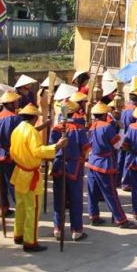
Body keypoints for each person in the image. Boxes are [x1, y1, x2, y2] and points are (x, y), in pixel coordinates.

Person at [10, 104, 67, 252]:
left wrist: (44, 127)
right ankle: (30, 241)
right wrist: (56, 146)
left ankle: (18, 234)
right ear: (35, 118)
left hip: (19, 172)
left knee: (20, 207)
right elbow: (37, 151)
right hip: (30, 175)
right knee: (32, 209)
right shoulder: (31, 132)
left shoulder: (17, 129)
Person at [86, 102, 137, 229]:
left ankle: (93, 216)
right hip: (104, 164)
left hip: (92, 162)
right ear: (104, 115)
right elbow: (117, 145)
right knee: (111, 194)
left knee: (92, 192)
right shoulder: (107, 127)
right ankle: (121, 220)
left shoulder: (91, 127)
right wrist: (121, 129)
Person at [50, 100, 90, 242]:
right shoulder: (79, 129)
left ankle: (58, 229)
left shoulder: (56, 128)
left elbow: (51, 147)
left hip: (58, 165)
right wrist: (82, 158)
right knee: (75, 199)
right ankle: (76, 230)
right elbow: (85, 148)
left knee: (59, 199)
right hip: (74, 167)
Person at [0, 90, 22, 216]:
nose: (18, 103)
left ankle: (3, 208)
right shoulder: (16, 118)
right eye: (16, 101)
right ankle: (19, 206)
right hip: (11, 153)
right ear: (11, 103)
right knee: (14, 181)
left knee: (0, 182)